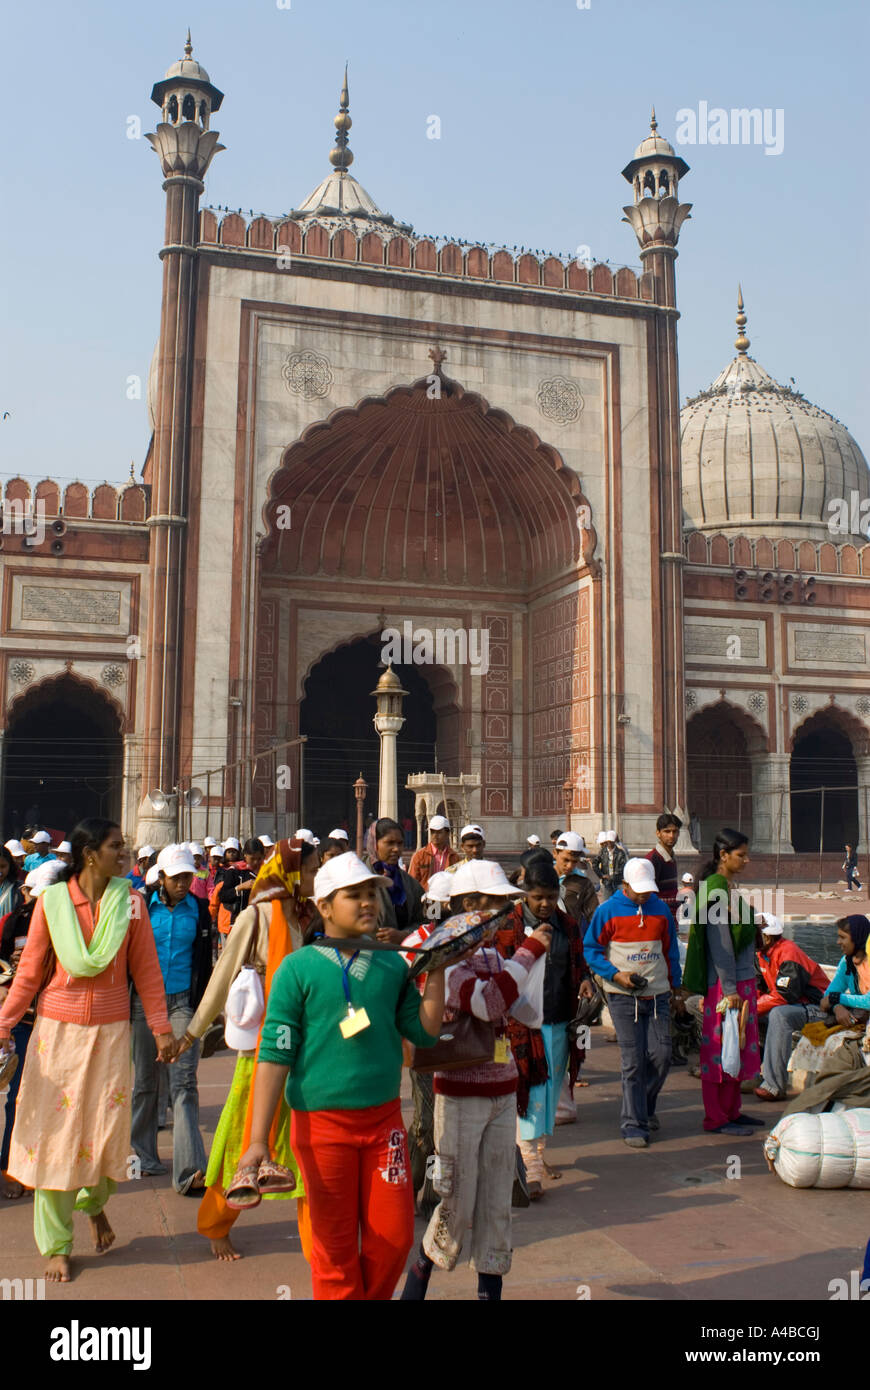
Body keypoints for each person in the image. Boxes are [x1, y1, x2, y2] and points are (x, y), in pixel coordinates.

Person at [234, 851, 447, 1301]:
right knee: (332, 1249)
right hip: (320, 1127)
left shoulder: (393, 964)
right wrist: (258, 1141)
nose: (369, 902)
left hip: (384, 1124)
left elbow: (425, 1034)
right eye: (355, 895)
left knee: (394, 1240)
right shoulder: (298, 969)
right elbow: (274, 1056)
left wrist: (439, 969)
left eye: (372, 893)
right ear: (326, 907)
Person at [0, 818, 175, 1282]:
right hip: (57, 1035)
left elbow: (148, 973)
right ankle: (56, 1244)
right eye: (117, 846)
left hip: (112, 1035)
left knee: (104, 1133)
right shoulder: (52, 903)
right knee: (54, 1141)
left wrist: (161, 1029)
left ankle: (93, 1204)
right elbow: (31, 973)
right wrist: (3, 1023)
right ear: (90, 854)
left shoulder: (132, 903)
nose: (125, 852)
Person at [402, 860, 549, 1301]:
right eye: (497, 904)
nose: (504, 913)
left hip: (501, 1088)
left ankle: (488, 1292)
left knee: (496, 1207)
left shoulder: (487, 952)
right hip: (462, 1094)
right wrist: (529, 954)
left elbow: (516, 1006)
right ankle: (415, 1286)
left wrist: (518, 971)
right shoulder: (445, 960)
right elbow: (488, 1004)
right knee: (455, 1204)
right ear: (468, 905)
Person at [179, 837, 319, 1260]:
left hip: (305, 1046)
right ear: (293, 873)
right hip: (261, 1051)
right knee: (243, 1142)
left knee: (307, 1148)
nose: (316, 877)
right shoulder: (257, 916)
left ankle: (320, 1245)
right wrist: (193, 1032)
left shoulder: (307, 916)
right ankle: (215, 1224)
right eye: (310, 870)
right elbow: (222, 976)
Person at [492, 857, 596, 1188]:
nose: (545, 904)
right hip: (520, 1025)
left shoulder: (567, 926)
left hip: (559, 1020)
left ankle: (532, 1152)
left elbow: (577, 966)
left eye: (551, 897)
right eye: (538, 897)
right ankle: (530, 1165)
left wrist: (584, 982)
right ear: (524, 894)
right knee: (531, 1089)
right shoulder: (507, 925)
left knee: (550, 1092)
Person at [130, 844, 212, 1194]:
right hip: (143, 1003)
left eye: (187, 876)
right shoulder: (141, 907)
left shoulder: (200, 910)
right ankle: (142, 1156)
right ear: (160, 876)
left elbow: (204, 962)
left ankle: (190, 1169)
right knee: (146, 1082)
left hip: (181, 1003)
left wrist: (205, 1006)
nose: (183, 882)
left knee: (183, 1082)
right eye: (176, 877)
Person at [584, 858, 681, 1148]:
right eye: (638, 891)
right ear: (624, 885)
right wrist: (615, 975)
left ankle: (644, 1107)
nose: (643, 896)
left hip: (658, 994)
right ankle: (633, 1123)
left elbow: (670, 950)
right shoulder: (607, 911)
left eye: (647, 890)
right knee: (633, 1061)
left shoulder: (661, 909)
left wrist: (676, 988)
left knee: (662, 1055)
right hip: (623, 996)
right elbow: (591, 950)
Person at [681, 828, 764, 1137]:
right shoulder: (715, 891)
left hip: (738, 980)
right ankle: (716, 1117)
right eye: (741, 855)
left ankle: (732, 1111)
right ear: (724, 855)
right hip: (726, 984)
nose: (746, 860)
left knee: (736, 1046)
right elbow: (720, 945)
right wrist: (729, 990)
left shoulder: (725, 888)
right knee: (719, 1049)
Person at [0, 859, 62, 1198]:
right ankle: (12, 1165)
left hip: (59, 1023)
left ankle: (48, 1165)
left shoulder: (73, 924)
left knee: (57, 1098)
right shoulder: (12, 923)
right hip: (22, 1022)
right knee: (17, 1099)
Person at [399, 870, 455, 1220]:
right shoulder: (415, 943)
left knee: (443, 1121)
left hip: (454, 1040)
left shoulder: (462, 942)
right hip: (423, 1041)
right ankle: (409, 1187)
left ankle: (430, 1191)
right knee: (425, 1120)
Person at [753, 912, 830, 1102]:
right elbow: (757, 989)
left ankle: (775, 1085)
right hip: (796, 1006)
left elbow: (784, 995)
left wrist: (752, 1008)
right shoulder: (761, 955)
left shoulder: (789, 953)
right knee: (746, 1013)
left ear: (767, 936)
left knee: (779, 1014)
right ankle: (753, 1073)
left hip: (818, 1008)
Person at [364, 817, 424, 943]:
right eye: (390, 843)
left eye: (400, 843)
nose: (396, 849)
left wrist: (405, 935)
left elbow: (427, 920)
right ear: (374, 844)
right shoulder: (359, 879)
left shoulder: (410, 884)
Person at [552, 832, 599, 925]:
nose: (569, 866)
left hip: (570, 937)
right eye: (566, 860)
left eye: (574, 862)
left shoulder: (583, 883)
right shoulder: (540, 876)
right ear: (555, 853)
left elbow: (594, 917)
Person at [218, 838, 265, 927]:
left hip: (261, 923)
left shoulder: (267, 871)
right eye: (252, 858)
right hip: (239, 923)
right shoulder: (235, 871)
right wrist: (240, 887)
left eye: (259, 859)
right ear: (245, 855)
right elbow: (223, 896)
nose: (256, 862)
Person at [407, 815, 460, 889]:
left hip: (447, 898)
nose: (435, 835)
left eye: (439, 832)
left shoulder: (454, 857)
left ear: (447, 833)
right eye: (432, 832)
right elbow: (411, 883)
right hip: (424, 898)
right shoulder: (419, 856)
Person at [645, 813, 682, 914]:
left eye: (675, 831)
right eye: (667, 831)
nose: (671, 835)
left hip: (671, 916)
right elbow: (649, 895)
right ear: (658, 833)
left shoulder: (671, 857)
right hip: (659, 916)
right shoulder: (653, 859)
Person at [592, 830, 628, 899]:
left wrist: (611, 877)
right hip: (607, 884)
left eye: (611, 841)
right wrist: (601, 875)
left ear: (614, 841)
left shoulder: (620, 852)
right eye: (608, 841)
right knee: (607, 903)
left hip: (618, 883)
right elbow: (594, 864)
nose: (609, 843)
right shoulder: (603, 852)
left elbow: (623, 868)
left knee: (619, 903)